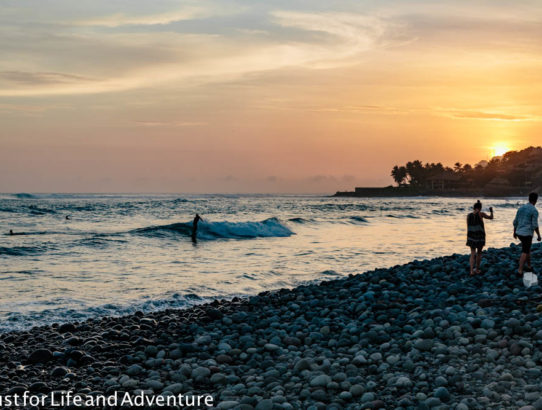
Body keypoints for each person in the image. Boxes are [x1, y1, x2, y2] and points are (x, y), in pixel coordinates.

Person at [513, 192, 541, 276]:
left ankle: (529, 266)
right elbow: (534, 225)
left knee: (527, 248)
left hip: (519, 232)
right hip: (526, 234)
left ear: (529, 199)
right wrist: (539, 235)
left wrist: (514, 232)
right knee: (525, 251)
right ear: (536, 200)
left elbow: (515, 222)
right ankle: (520, 270)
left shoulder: (521, 208)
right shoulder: (534, 210)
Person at [466, 200, 494, 276]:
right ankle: (477, 269)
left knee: (472, 253)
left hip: (471, 236)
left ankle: (471, 271)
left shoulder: (468, 215)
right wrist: (491, 211)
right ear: (480, 208)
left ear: (473, 208)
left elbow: (468, 226)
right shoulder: (481, 214)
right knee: (479, 253)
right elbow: (491, 217)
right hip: (480, 236)